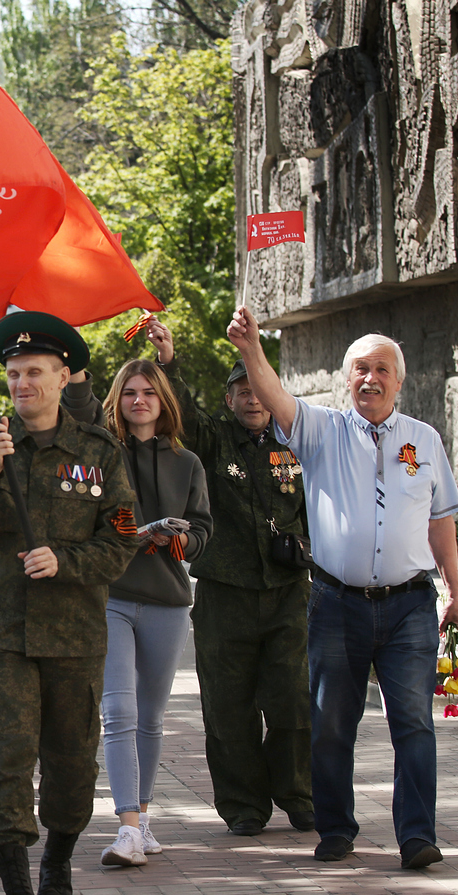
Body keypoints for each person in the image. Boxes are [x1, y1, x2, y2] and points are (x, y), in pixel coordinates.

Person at [226, 307, 458, 869]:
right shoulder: (321, 431)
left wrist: (454, 590)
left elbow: (441, 521)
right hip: (336, 604)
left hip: (409, 605)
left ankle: (416, 837)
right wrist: (250, 349)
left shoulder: (423, 441)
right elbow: (276, 397)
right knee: (331, 723)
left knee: (414, 723)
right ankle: (335, 829)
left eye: (381, 369)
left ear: (399, 382)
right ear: (346, 378)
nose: (370, 378)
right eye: (359, 369)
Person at [0, 312, 137, 895]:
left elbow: (124, 536)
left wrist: (66, 560)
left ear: (63, 376)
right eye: (14, 373)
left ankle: (57, 859)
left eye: (35, 373)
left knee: (73, 763)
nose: (22, 384)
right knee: (5, 762)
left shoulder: (99, 452)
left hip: (74, 636)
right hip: (1, 635)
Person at [134, 319, 314, 837]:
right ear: (229, 398)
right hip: (225, 594)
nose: (253, 398)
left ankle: (299, 794)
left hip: (285, 592)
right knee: (228, 704)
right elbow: (184, 412)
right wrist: (169, 363)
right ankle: (243, 806)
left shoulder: (298, 442)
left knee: (292, 700)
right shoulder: (213, 439)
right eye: (242, 390)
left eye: (260, 388)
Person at [63, 358, 212, 866]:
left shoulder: (187, 462)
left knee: (150, 716)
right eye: (129, 393)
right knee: (118, 711)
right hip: (112, 596)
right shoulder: (103, 453)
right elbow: (77, 410)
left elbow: (202, 532)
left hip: (168, 601)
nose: (139, 400)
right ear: (117, 401)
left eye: (149, 392)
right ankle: (126, 825)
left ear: (163, 401)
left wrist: (182, 540)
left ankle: (143, 819)